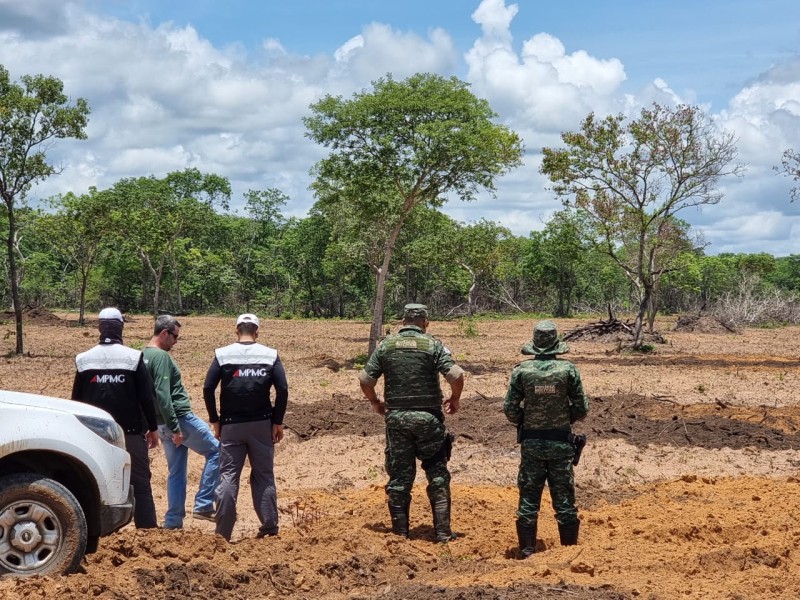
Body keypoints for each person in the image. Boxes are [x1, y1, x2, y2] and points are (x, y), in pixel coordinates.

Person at [358, 303, 465, 543]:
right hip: (429, 419)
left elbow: (366, 379)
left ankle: (400, 534)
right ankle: (443, 532)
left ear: (403, 321)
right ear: (425, 323)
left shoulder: (386, 345)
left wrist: (375, 402)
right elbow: (456, 375)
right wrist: (455, 398)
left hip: (397, 419)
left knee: (400, 477)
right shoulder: (433, 345)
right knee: (437, 473)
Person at [503, 319, 589, 558]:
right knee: (564, 499)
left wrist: (527, 420)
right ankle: (568, 552)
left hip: (531, 443)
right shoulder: (568, 370)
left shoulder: (522, 371)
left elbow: (509, 408)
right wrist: (563, 419)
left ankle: (527, 551)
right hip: (561, 442)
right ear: (555, 344)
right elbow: (581, 408)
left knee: (529, 498)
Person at [72, 307, 160, 529]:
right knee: (140, 483)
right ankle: (148, 533)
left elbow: (76, 401)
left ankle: (94, 533)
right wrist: (152, 428)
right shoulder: (133, 357)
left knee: (92, 483)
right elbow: (147, 398)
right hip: (129, 435)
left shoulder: (84, 360)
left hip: (93, 435)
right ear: (121, 327)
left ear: (99, 328)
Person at [202, 313, 288, 541]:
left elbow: (208, 388)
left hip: (231, 426)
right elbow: (283, 390)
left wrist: (215, 420)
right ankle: (269, 527)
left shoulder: (222, 354)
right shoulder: (270, 355)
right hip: (262, 424)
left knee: (229, 476)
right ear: (257, 332)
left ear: (236, 330)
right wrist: (277, 422)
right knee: (263, 475)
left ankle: (223, 533)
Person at [143, 315, 220, 529]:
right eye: (175, 337)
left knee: (176, 472)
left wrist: (153, 426)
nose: (176, 342)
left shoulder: (141, 355)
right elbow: (163, 394)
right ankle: (204, 504)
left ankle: (173, 522)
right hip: (179, 420)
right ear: (165, 333)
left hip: (160, 425)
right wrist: (176, 428)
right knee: (217, 451)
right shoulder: (161, 358)